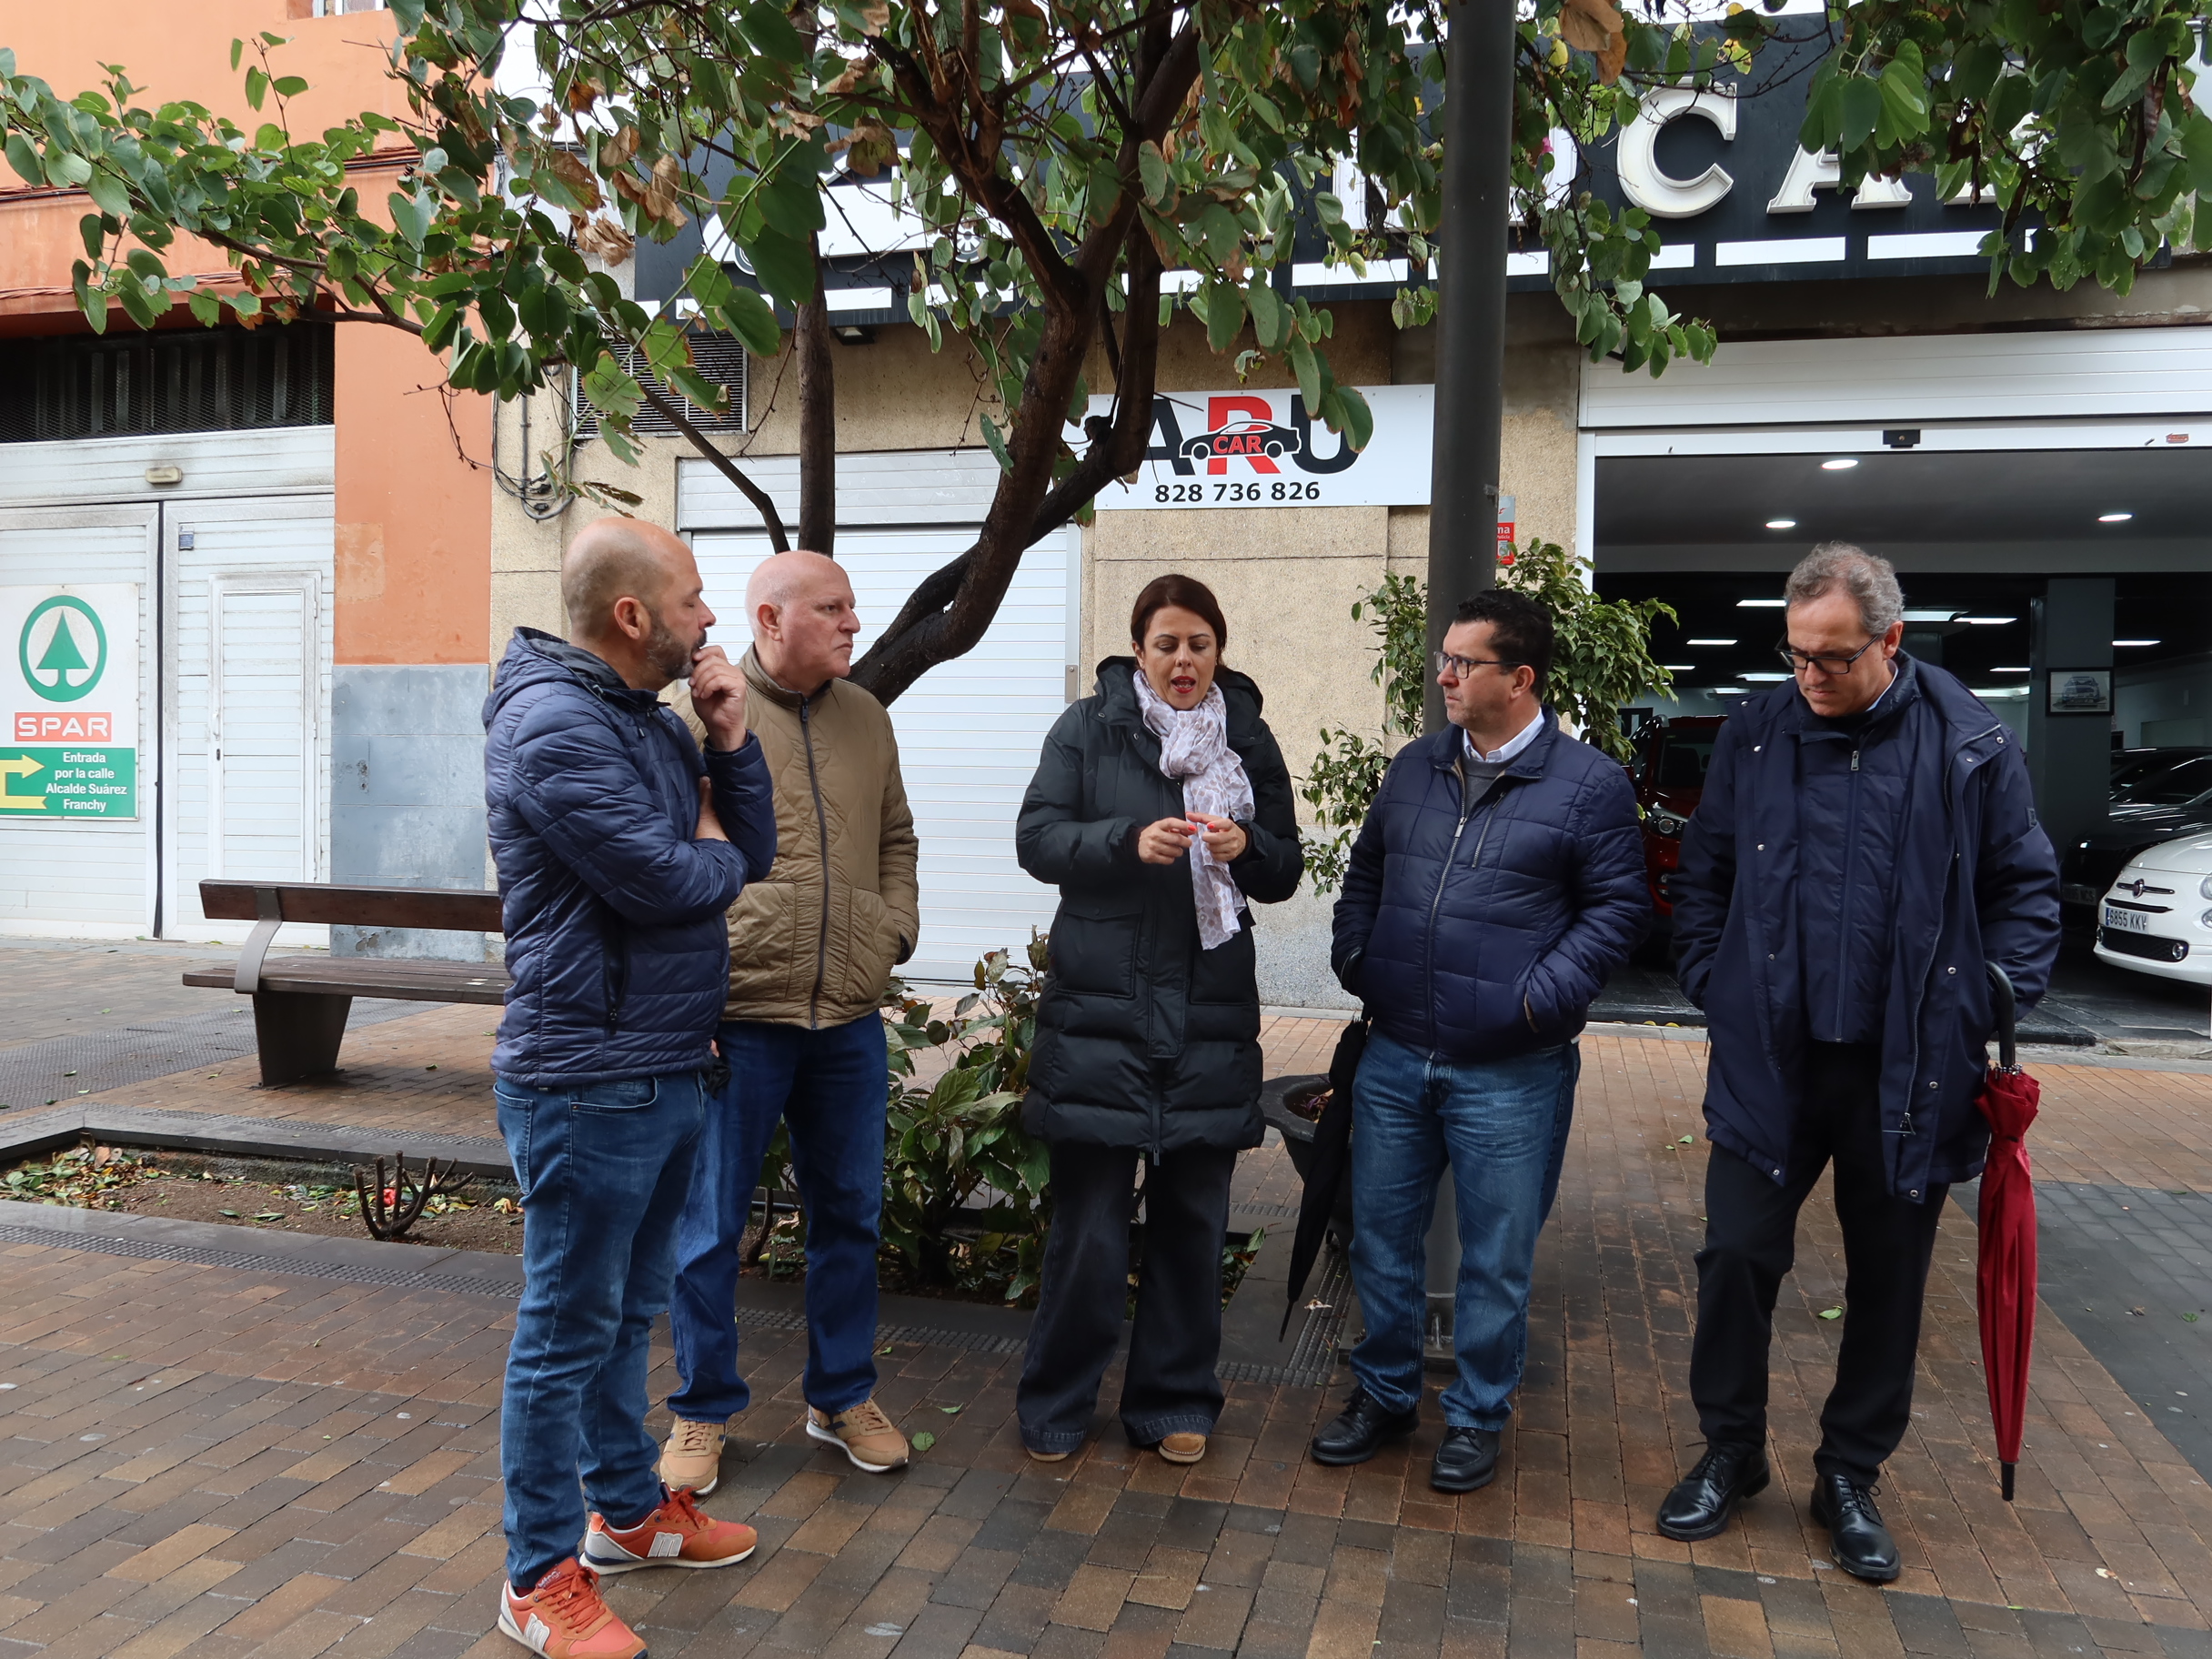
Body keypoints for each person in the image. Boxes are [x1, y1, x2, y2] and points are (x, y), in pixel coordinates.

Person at [1655, 544, 2060, 1580]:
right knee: (1736, 1256)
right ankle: (1729, 1450)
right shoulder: (1755, 735)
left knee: (1888, 1277)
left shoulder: (1966, 742)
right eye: (1794, 656)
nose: (1808, 678)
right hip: (1769, 1060)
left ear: (1889, 640)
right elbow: (1701, 873)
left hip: (1909, 1069)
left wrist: (1990, 995)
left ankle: (1849, 1472)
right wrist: (1715, 980)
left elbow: (2023, 886)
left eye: (1829, 658)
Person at [485, 519, 778, 1659]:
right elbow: (670, 883)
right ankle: (534, 1575)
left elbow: (738, 854)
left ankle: (625, 1512)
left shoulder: (646, 721)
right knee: (562, 1332)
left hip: (660, 1061)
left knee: (621, 1314)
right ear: (632, 617)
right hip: (585, 1075)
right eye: (696, 600)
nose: (710, 621)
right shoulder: (553, 726)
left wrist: (729, 742)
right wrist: (702, 850)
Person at [1315, 589, 1647, 1493]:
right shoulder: (1415, 767)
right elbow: (1366, 873)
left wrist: (1537, 1002)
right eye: (1443, 658)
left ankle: (1474, 1414)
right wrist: (1358, 958)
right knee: (1380, 1240)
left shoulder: (1588, 786)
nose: (1444, 675)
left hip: (1512, 1069)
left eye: (1464, 663)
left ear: (1520, 678)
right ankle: (1382, 1396)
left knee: (1495, 1258)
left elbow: (1618, 910)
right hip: (1394, 1053)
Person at [1012, 574, 1303, 1464]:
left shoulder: (1246, 737)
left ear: (1218, 651)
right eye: (1166, 643)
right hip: (1101, 1015)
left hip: (1208, 1013)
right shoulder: (1087, 729)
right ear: (1138, 650)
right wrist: (1121, 843)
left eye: (1199, 644)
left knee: (1191, 1226)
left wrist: (1245, 846)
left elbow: (1284, 866)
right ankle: (1056, 1401)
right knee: (1089, 1234)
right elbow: (1036, 838)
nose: (1183, 660)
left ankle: (1174, 1402)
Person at [659, 548, 922, 1491]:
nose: (855, 622)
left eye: (853, 605)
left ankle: (841, 1394)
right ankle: (699, 1414)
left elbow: (895, 837)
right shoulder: (707, 718)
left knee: (849, 1216)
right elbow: (671, 855)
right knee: (708, 1227)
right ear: (769, 619)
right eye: (833, 608)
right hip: (741, 1018)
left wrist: (892, 927)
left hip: (846, 1017)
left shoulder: (866, 718)